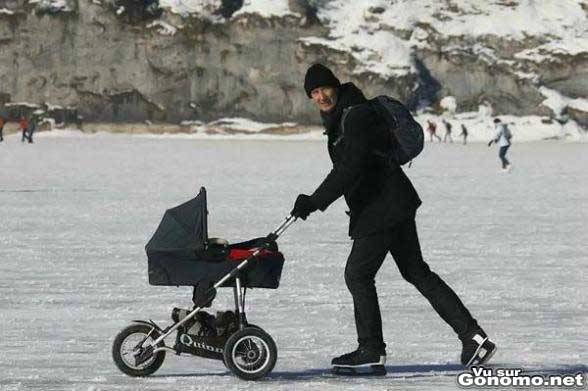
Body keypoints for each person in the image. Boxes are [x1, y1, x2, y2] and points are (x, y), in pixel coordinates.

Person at [290, 63, 496, 376]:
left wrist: (314, 201)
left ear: (335, 86)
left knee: (358, 274)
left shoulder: (355, 115)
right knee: (416, 271)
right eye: (314, 92)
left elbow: (350, 168)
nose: (321, 96)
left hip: (381, 206)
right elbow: (349, 167)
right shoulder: (343, 116)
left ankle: (371, 349)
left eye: (324, 89)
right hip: (391, 201)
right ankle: (473, 336)